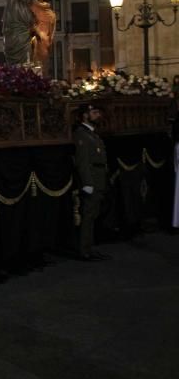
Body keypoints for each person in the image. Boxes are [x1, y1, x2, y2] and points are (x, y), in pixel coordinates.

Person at [73, 103, 111, 261]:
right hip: (92, 180)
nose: (98, 115)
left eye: (98, 112)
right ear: (85, 116)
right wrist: (87, 183)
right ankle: (84, 250)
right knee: (88, 216)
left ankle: (90, 247)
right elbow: (83, 161)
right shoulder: (81, 134)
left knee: (93, 215)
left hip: (99, 178)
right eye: (94, 112)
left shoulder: (93, 134)